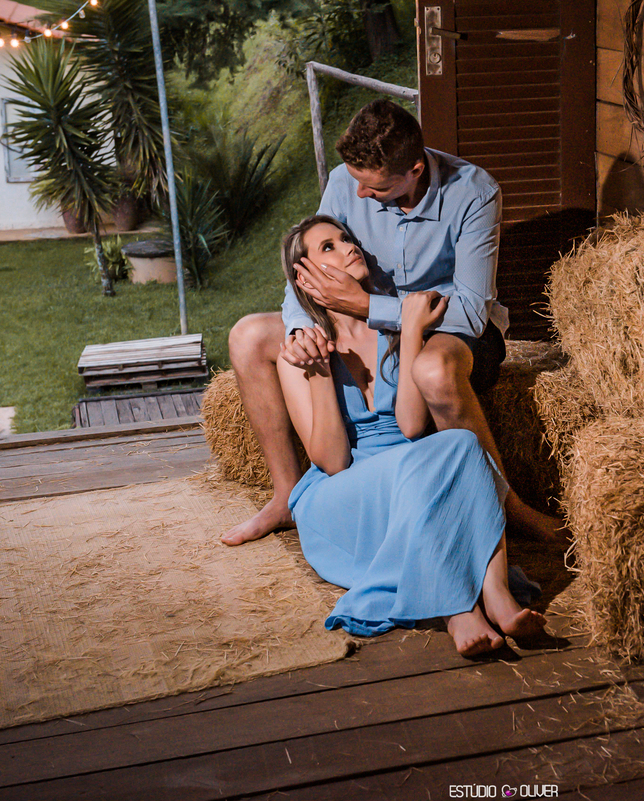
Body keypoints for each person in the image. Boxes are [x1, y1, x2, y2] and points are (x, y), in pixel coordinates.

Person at [221, 99, 560, 547]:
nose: (358, 194)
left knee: (434, 371)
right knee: (247, 336)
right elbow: (306, 265)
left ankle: (506, 506)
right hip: (367, 326)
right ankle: (286, 496)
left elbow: (473, 311)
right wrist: (302, 325)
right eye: (356, 181)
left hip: (448, 328)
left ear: (414, 171)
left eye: (373, 187)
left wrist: (369, 307)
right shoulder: (347, 181)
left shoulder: (475, 193)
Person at [277, 215, 546, 656]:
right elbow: (331, 461)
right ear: (304, 277)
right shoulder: (299, 352)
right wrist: (320, 373)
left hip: (412, 468)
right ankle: (462, 611)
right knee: (448, 455)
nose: (348, 246)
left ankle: (494, 597)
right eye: (328, 246)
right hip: (343, 494)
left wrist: (412, 331)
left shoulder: (397, 322)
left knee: (462, 445)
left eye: (346, 237)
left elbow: (411, 426)